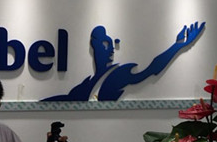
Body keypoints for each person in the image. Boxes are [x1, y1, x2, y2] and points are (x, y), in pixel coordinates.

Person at [42, 21, 205, 101]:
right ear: (94, 46)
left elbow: (152, 69)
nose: (111, 50)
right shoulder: (89, 83)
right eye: (105, 44)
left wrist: (177, 46)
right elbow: (69, 99)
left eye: (112, 45)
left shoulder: (119, 75)